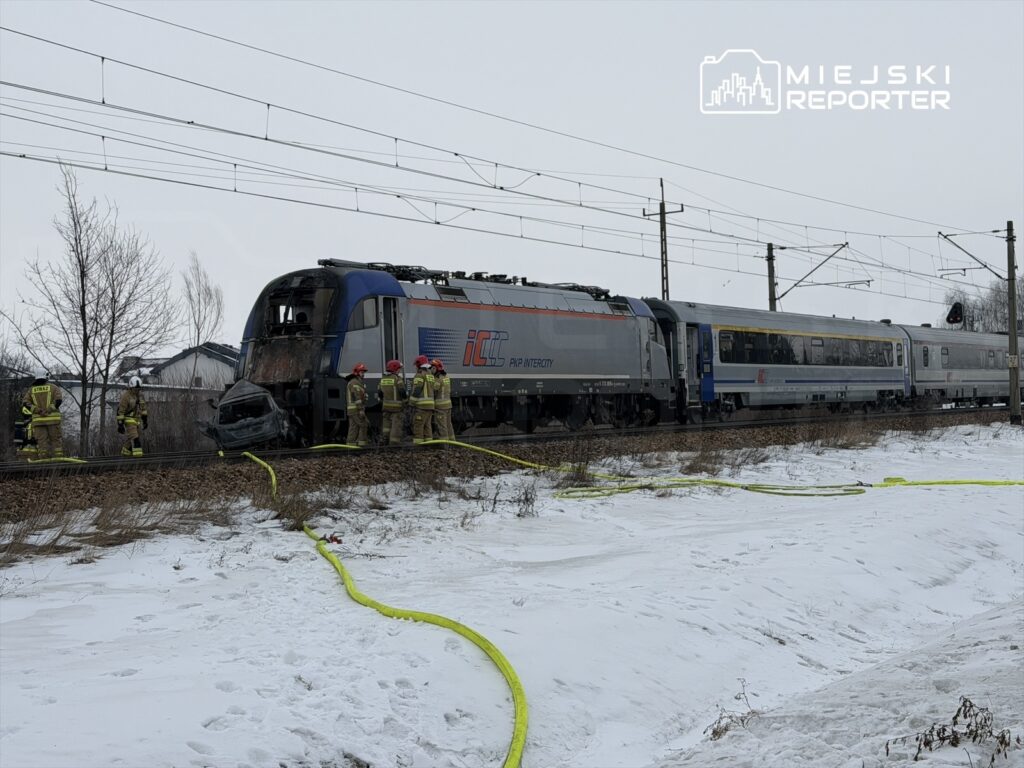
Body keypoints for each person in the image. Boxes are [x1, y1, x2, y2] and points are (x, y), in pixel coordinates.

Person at [22, 367, 64, 460]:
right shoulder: (54, 388)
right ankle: (59, 462)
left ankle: (43, 464)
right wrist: (48, 410)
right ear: (46, 376)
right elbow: (58, 400)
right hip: (53, 421)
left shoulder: (31, 390)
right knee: (56, 441)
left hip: (38, 422)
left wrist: (38, 410)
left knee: (42, 443)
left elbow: (25, 403)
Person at [117, 376, 148, 457]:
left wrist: (145, 420)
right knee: (135, 438)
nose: (137, 390)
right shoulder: (126, 396)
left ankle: (125, 453)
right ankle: (138, 457)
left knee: (132, 437)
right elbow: (121, 410)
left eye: (138, 389)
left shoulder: (140, 396)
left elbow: (143, 408)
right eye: (135, 389)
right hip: (128, 419)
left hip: (137, 419)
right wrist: (120, 424)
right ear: (131, 388)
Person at [378, 359, 407, 445]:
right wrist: (405, 401)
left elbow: (379, 392)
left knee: (386, 426)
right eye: (399, 369)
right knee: (396, 425)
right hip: (396, 407)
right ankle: (394, 443)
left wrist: (383, 400)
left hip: (386, 406)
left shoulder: (383, 379)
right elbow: (402, 391)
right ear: (395, 369)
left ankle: (384, 440)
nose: (399, 371)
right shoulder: (397, 379)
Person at [409, 354, 434, 444]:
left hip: (422, 406)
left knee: (418, 424)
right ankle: (429, 444)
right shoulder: (430, 375)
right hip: (430, 405)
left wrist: (411, 403)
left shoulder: (419, 375)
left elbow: (417, 389)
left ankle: (418, 445)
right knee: (427, 425)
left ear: (419, 365)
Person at [346, 362, 369, 446]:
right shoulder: (355, 383)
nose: (363, 374)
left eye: (363, 372)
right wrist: (361, 409)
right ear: (357, 373)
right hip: (356, 409)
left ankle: (350, 445)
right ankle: (362, 445)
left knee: (353, 427)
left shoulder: (355, 382)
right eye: (362, 372)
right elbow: (357, 397)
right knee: (364, 424)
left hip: (352, 410)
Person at [431, 358, 453, 440]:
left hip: (440, 407)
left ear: (435, 368)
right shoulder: (446, 377)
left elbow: (434, 391)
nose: (431, 370)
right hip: (448, 405)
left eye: (432, 368)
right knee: (448, 425)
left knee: (442, 426)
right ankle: (452, 442)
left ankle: (444, 444)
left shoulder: (437, 379)